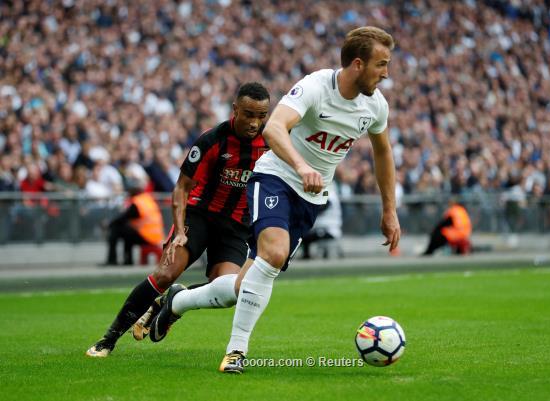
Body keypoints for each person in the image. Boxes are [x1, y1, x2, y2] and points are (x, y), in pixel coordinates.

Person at [150, 27, 401, 374]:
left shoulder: (375, 106)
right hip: (275, 179)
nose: (386, 73)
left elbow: (383, 153)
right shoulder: (316, 86)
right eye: (381, 64)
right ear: (358, 64)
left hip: (310, 200)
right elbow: (274, 128)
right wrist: (301, 166)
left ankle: (178, 301)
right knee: (274, 253)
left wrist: (389, 210)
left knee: (243, 287)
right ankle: (236, 351)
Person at [85, 82, 270, 357]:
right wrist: (181, 231)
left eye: (261, 116)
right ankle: (108, 340)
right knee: (165, 274)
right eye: (248, 114)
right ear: (235, 109)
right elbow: (181, 188)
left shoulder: (272, 142)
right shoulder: (212, 140)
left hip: (235, 226)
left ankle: (173, 302)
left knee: (232, 289)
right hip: (199, 217)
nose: (255, 122)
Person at [100, 177, 164, 266]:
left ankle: (112, 260)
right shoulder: (147, 199)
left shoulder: (137, 203)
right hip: (156, 236)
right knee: (127, 232)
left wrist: (109, 224)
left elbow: (123, 217)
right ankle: (128, 260)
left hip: (147, 236)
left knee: (116, 229)